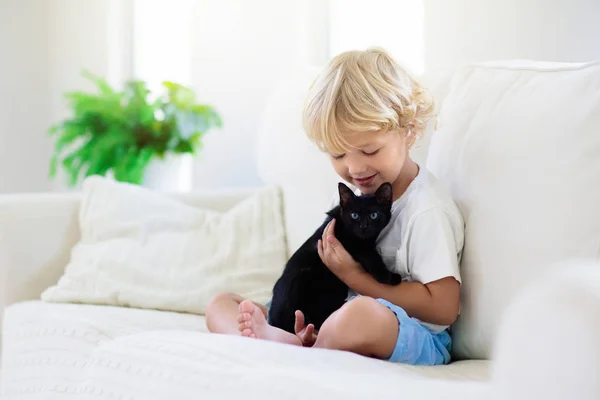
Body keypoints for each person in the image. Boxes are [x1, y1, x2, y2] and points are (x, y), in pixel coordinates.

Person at [205, 47, 464, 366]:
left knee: (361, 314)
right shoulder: (352, 196)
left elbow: (443, 307)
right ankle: (291, 341)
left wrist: (359, 280)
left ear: (409, 130)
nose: (355, 169)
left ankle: (293, 352)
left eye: (368, 151)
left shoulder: (426, 210)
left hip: (409, 335)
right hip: (331, 318)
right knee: (221, 303)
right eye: (338, 155)